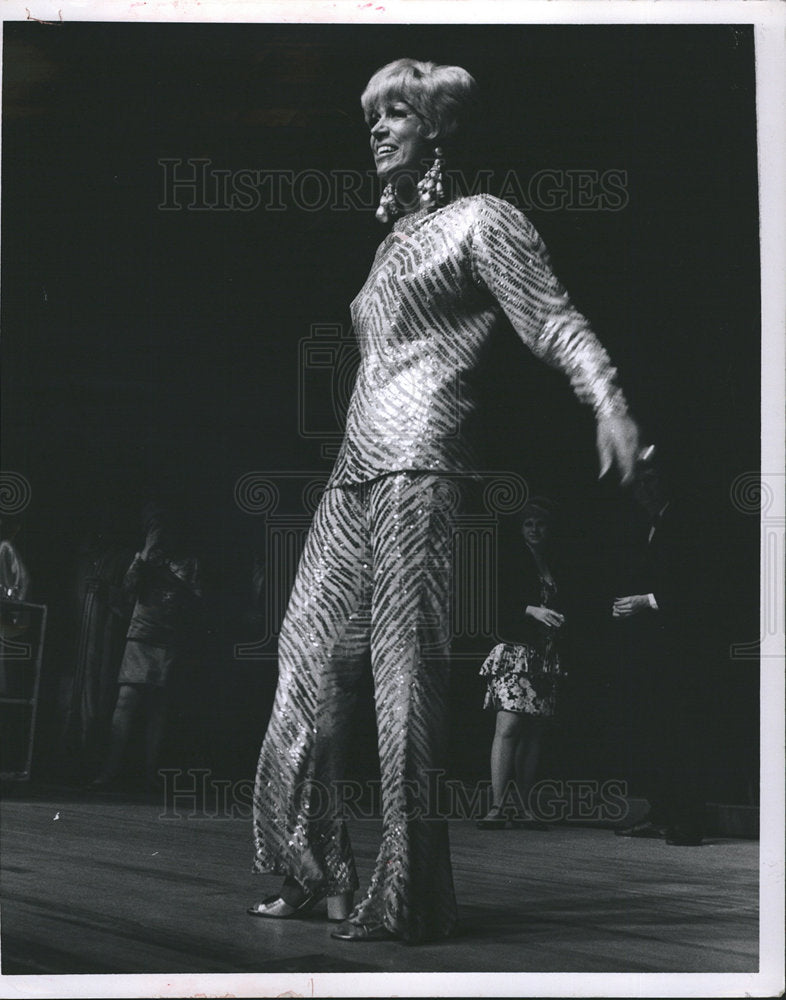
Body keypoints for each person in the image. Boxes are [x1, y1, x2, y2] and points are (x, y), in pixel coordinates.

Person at [249, 58, 641, 943]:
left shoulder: (484, 220)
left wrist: (607, 400)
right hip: (352, 469)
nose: (379, 128)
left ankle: (410, 891)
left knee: (403, 676)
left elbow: (550, 317)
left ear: (440, 129)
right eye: (373, 117)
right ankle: (316, 874)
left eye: (398, 113)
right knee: (305, 669)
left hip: (424, 460)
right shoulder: (390, 243)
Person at [611, 457, 706, 846]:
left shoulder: (684, 523)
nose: (642, 492)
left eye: (649, 483)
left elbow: (700, 584)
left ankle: (686, 820)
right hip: (657, 650)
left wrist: (646, 601)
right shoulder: (655, 525)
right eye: (639, 486)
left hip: (683, 651)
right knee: (658, 730)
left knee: (681, 732)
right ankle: (663, 811)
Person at [90, 503, 201, 790]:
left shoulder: (188, 561)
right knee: (126, 702)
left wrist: (158, 567)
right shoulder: (145, 558)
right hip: (140, 635)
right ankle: (108, 770)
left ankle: (149, 773)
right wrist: (143, 558)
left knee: (158, 708)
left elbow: (193, 595)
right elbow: (129, 590)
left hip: (170, 638)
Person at [477, 498, 566, 830]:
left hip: (544, 656)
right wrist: (532, 611)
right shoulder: (512, 560)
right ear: (520, 530)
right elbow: (495, 602)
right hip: (515, 652)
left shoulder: (552, 563)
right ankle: (498, 805)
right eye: (528, 524)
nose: (534, 530)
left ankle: (525, 806)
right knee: (509, 726)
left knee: (533, 732)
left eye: (539, 524)